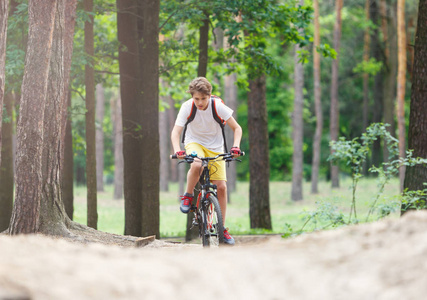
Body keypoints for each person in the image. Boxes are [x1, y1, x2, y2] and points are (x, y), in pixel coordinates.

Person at [171, 77, 243, 245]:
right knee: (197, 164)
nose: (200, 102)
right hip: (194, 142)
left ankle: (222, 228)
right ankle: (188, 195)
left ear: (210, 96)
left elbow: (237, 128)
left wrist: (236, 147)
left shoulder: (217, 106)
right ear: (192, 96)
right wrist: (177, 151)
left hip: (216, 147)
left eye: (204, 98)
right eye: (197, 99)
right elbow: (176, 132)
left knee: (222, 187)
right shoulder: (187, 107)